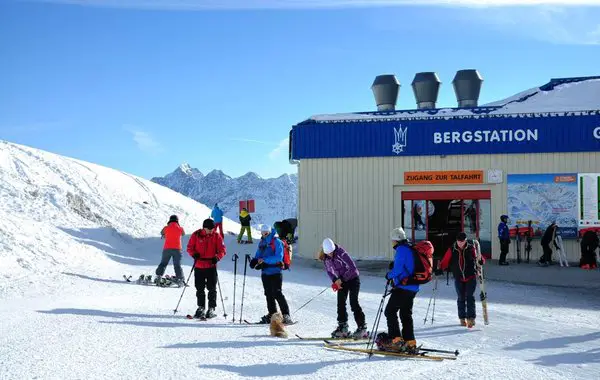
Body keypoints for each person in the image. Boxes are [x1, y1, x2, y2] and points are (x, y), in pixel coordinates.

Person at [318, 238, 368, 339]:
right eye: (328, 253)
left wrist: (342, 279)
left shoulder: (341, 253)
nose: (330, 255)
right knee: (340, 303)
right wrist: (335, 281)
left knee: (353, 302)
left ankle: (362, 328)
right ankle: (343, 327)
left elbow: (353, 268)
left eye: (332, 252)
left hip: (353, 279)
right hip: (342, 281)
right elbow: (329, 271)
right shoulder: (326, 258)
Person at [379, 227, 418, 353]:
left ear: (396, 240)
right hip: (413, 286)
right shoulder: (410, 248)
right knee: (405, 314)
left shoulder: (401, 249)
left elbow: (398, 270)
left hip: (403, 287)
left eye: (392, 240)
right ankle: (410, 342)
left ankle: (396, 341)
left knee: (390, 311)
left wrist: (389, 275)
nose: (392, 243)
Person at [436, 232, 484, 328]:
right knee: (461, 297)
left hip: (470, 276)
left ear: (465, 240)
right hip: (458, 277)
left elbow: (479, 257)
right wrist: (440, 268)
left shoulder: (471, 248)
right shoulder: (452, 249)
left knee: (470, 297)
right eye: (458, 241)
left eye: (462, 241)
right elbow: (445, 260)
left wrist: (481, 261)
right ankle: (462, 318)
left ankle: (471, 318)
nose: (460, 243)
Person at [249, 224, 293, 324]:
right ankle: (272, 314)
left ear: (269, 232)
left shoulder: (276, 242)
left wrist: (264, 260)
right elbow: (258, 254)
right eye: (262, 233)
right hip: (265, 273)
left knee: (277, 293)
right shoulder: (262, 242)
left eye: (266, 233)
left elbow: (278, 257)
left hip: (276, 272)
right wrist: (254, 261)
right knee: (268, 294)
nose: (264, 234)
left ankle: (286, 315)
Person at [186, 218, 226, 319]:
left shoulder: (216, 236)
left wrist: (217, 257)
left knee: (212, 288)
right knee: (199, 288)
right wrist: (194, 254)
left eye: (212, 229)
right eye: (209, 229)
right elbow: (189, 247)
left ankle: (211, 308)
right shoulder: (196, 235)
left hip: (211, 266)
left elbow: (222, 250)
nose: (211, 230)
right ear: (204, 228)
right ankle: (201, 307)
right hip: (199, 265)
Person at [155, 215, 186, 285]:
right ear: (177, 221)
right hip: (177, 249)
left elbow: (162, 233)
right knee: (177, 265)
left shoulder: (166, 228)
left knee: (163, 263)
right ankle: (180, 279)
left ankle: (158, 277)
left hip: (167, 249)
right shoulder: (180, 228)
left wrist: (165, 235)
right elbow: (183, 234)